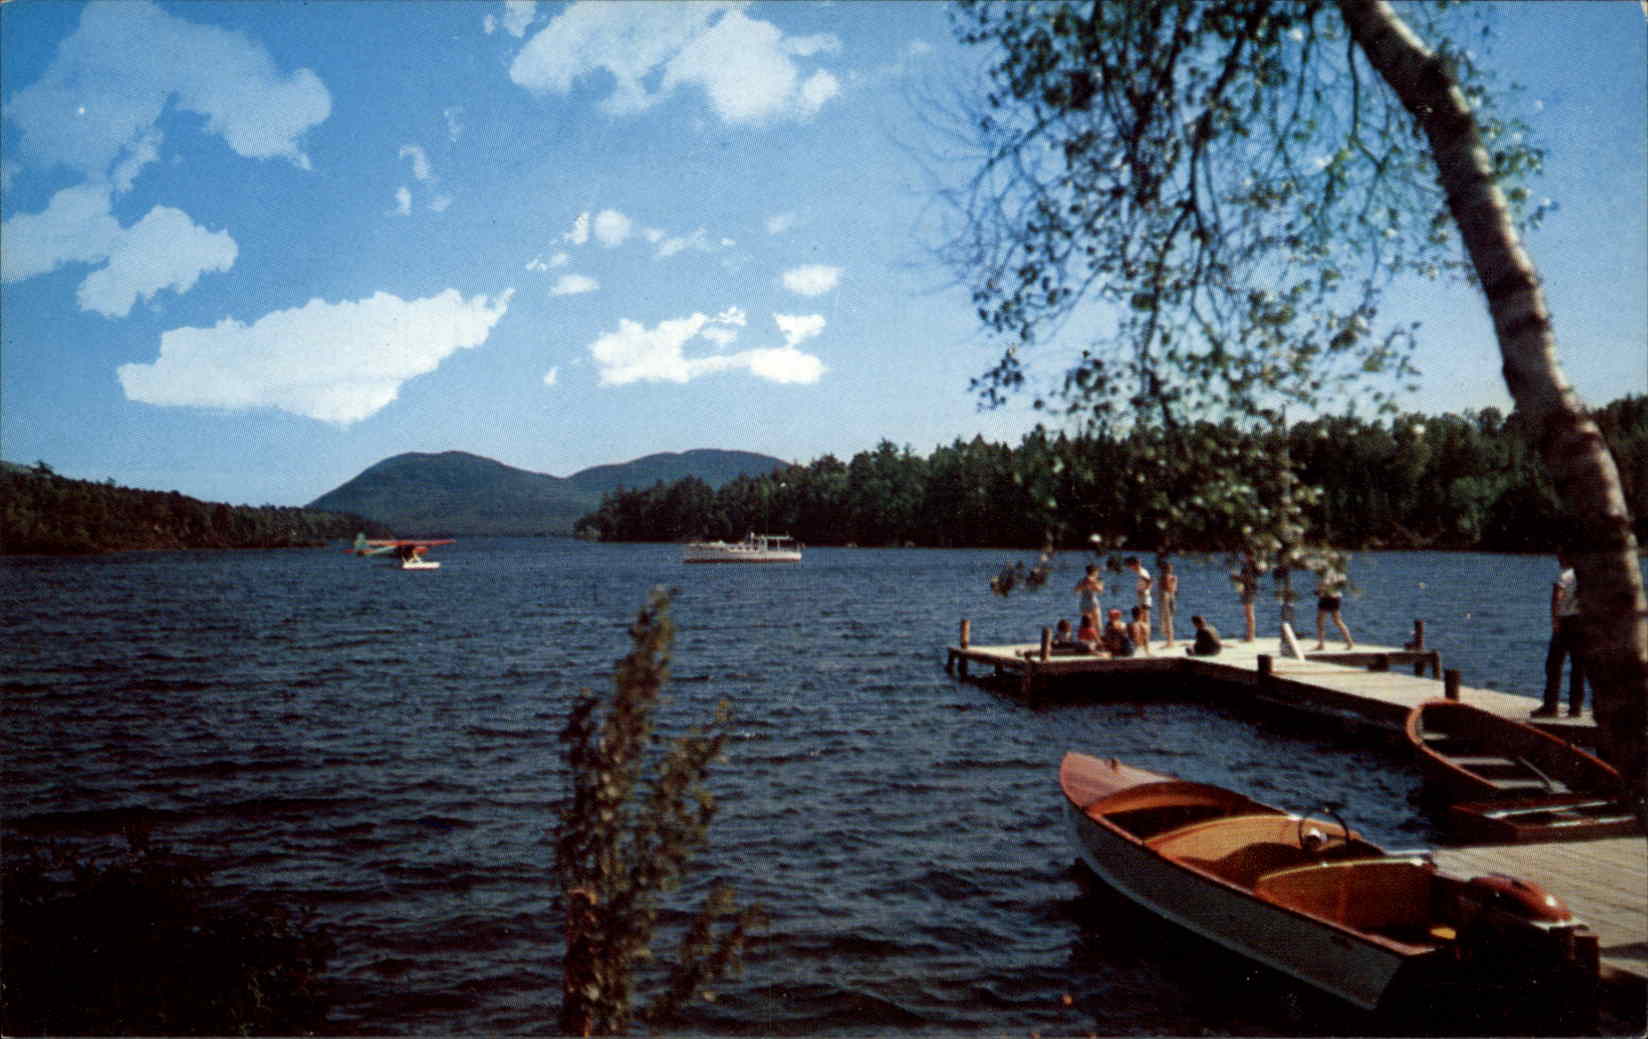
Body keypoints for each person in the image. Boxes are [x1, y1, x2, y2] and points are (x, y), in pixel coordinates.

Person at [1534, 548, 1586, 718]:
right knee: (1578, 667)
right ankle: (1575, 707)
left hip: (1565, 622)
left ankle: (1550, 706)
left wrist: (1554, 621)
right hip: (1580, 622)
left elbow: (1557, 596)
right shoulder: (1584, 576)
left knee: (1554, 665)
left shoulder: (1563, 575)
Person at [1314, 569, 1354, 650]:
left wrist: (1319, 590)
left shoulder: (1328, 571)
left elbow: (1325, 583)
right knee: (1337, 620)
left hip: (1327, 597)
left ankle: (1321, 644)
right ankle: (1349, 642)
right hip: (1336, 597)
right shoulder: (1339, 571)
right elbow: (1342, 582)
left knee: (1320, 621)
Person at [1232, 551, 1261, 642]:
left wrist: (1236, 577)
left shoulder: (1250, 566)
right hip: (1248, 589)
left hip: (1249, 590)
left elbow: (1248, 579)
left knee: (1249, 613)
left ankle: (1250, 636)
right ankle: (1249, 635)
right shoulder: (1249, 565)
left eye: (1244, 555)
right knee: (1248, 614)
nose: (1243, 557)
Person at [1125, 556, 1152, 635]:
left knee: (1145, 619)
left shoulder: (1141, 572)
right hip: (1143, 597)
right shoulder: (1141, 571)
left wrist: (1145, 590)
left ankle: (1146, 639)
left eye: (1131, 565)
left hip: (1144, 597)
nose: (1130, 567)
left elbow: (1149, 581)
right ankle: (1143, 639)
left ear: (1135, 564)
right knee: (1143, 618)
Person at [1159, 560, 1178, 646]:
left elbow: (1164, 588)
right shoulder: (1174, 578)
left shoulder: (1165, 577)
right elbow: (1174, 590)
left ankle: (1169, 642)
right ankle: (1170, 641)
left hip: (1166, 597)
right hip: (1171, 597)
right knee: (1169, 619)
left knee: (1167, 620)